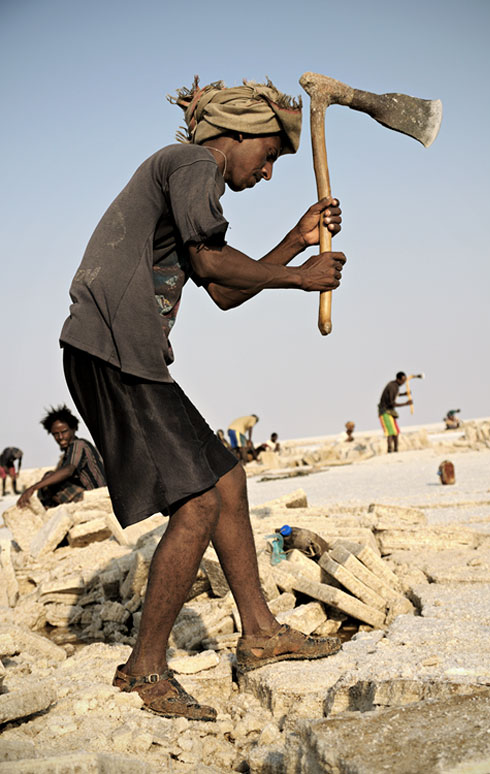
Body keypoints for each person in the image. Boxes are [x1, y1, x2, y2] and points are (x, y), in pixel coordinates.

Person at [57, 77, 345, 721]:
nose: (268, 171)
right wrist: (301, 279)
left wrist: (297, 243)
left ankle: (262, 635)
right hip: (113, 349)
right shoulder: (192, 162)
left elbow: (222, 289)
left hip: (132, 355)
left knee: (227, 481)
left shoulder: (190, 179)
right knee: (195, 507)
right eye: (267, 154)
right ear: (232, 135)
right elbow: (215, 265)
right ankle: (144, 668)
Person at [17, 405, 106, 509]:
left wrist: (33, 488)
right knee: (50, 478)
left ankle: (50, 511)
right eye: (55, 434)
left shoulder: (79, 444)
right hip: (86, 494)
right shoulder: (66, 453)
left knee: (49, 479)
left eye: (64, 432)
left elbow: (68, 470)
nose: (60, 437)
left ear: (74, 429)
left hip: (97, 495)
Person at [378, 372, 413, 452]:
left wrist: (404, 394)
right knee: (390, 432)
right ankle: (390, 449)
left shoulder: (395, 386)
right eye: (402, 380)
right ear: (398, 379)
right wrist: (406, 403)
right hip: (385, 412)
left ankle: (396, 449)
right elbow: (392, 403)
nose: (404, 383)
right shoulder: (392, 386)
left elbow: (395, 394)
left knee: (396, 431)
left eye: (405, 381)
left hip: (390, 411)